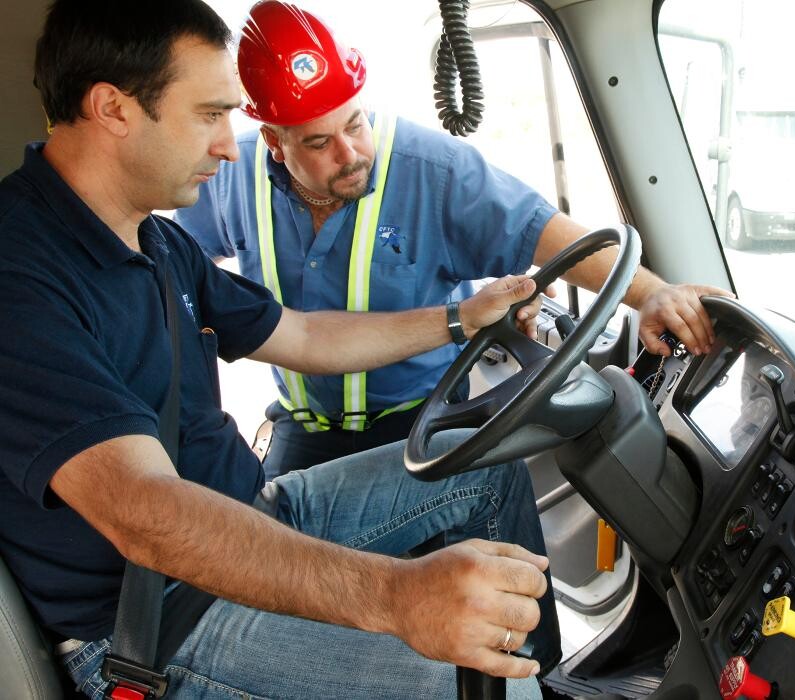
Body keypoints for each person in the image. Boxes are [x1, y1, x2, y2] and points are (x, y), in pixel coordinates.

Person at [0, 1, 560, 697]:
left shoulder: (154, 238)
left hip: (249, 512)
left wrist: (462, 318)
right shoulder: (19, 272)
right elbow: (143, 511)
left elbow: (301, 333)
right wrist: (395, 596)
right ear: (112, 107)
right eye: (209, 115)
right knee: (475, 683)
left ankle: (539, 672)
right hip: (151, 618)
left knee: (484, 468)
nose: (229, 147)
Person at [175, 0, 732, 478]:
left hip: (422, 420)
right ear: (273, 141)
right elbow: (180, 268)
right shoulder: (229, 177)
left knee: (495, 523)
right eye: (319, 143)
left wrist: (651, 294)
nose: (350, 155)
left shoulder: (434, 171)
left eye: (354, 124)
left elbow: (547, 235)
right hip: (303, 427)